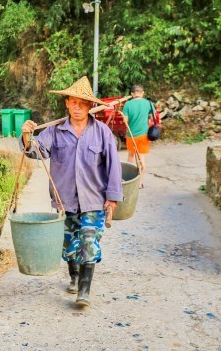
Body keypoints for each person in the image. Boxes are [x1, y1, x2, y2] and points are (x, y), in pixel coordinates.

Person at [20, 76, 123, 307]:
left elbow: (113, 167)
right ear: (66, 103)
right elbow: (37, 152)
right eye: (73, 102)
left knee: (89, 242)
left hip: (94, 200)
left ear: (90, 106)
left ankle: (84, 291)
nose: (78, 107)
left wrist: (112, 198)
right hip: (64, 200)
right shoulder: (55, 131)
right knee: (69, 246)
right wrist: (27, 135)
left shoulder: (102, 133)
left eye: (83, 103)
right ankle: (74, 276)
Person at [122, 84, 154, 188]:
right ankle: (139, 183)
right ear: (142, 93)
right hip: (143, 136)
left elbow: (125, 121)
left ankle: (128, 180)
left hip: (131, 136)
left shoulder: (128, 104)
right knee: (141, 159)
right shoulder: (148, 103)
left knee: (130, 156)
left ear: (132, 94)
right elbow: (152, 115)